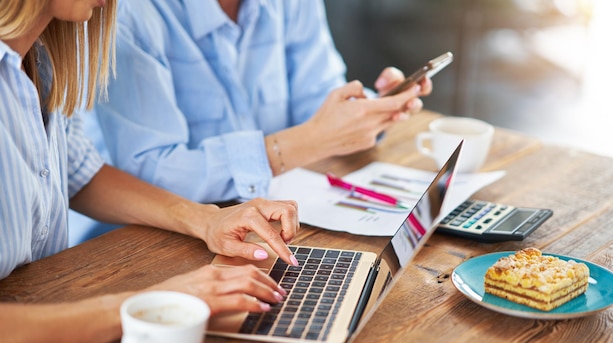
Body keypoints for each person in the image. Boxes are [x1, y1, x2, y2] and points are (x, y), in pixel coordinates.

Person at [0, 0, 301, 343]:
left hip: (53, 326)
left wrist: (206, 219)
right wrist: (146, 304)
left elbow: (78, 170)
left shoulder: (43, 55)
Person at [73, 0, 433, 243]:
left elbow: (318, 103)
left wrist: (366, 113)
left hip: (268, 220)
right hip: (144, 237)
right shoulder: (124, 13)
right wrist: (306, 142)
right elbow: (151, 172)